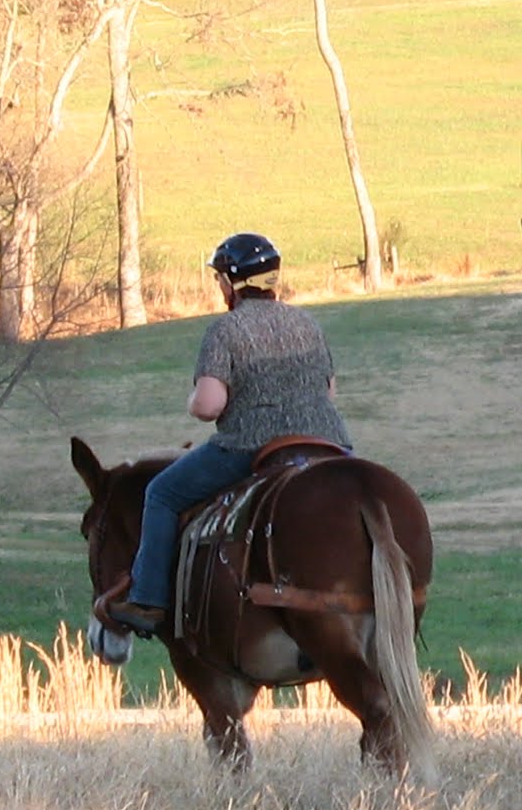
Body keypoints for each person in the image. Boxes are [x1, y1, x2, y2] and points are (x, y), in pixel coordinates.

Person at [107, 232, 352, 634]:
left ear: (231, 282)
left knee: (161, 494)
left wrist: (192, 401)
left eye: (219, 278)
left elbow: (209, 406)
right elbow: (328, 391)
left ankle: (148, 601)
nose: (219, 286)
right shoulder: (307, 322)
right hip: (328, 443)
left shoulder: (226, 330)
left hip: (251, 444)